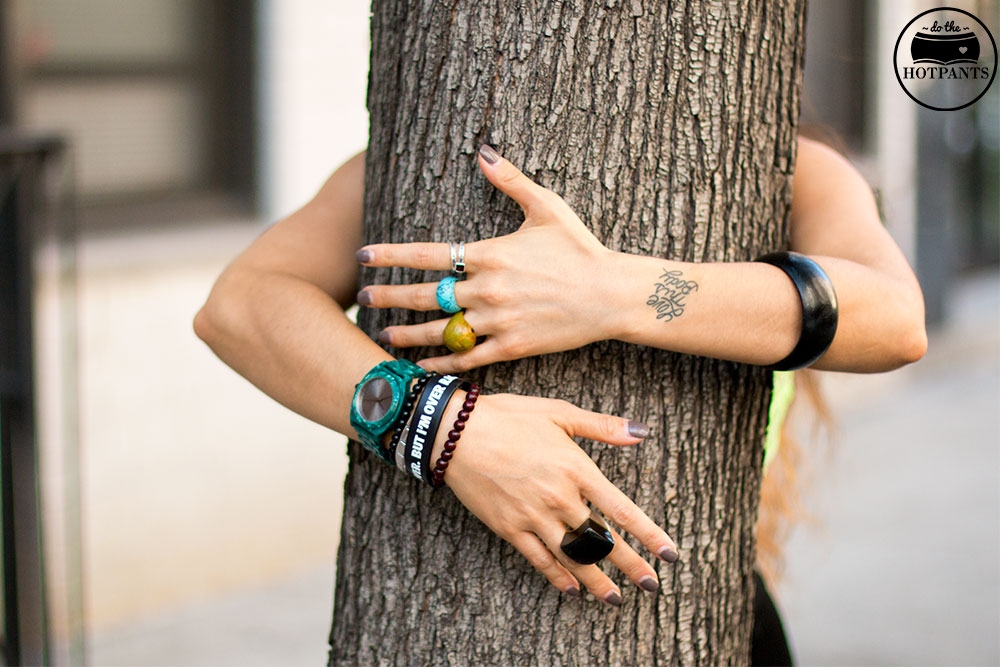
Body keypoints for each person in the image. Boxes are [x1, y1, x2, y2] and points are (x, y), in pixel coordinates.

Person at [194, 139, 925, 612]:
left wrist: (610, 292)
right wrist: (447, 428)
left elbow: (895, 320)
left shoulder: (786, 162)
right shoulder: (422, 150)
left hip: (704, 611)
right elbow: (238, 305)